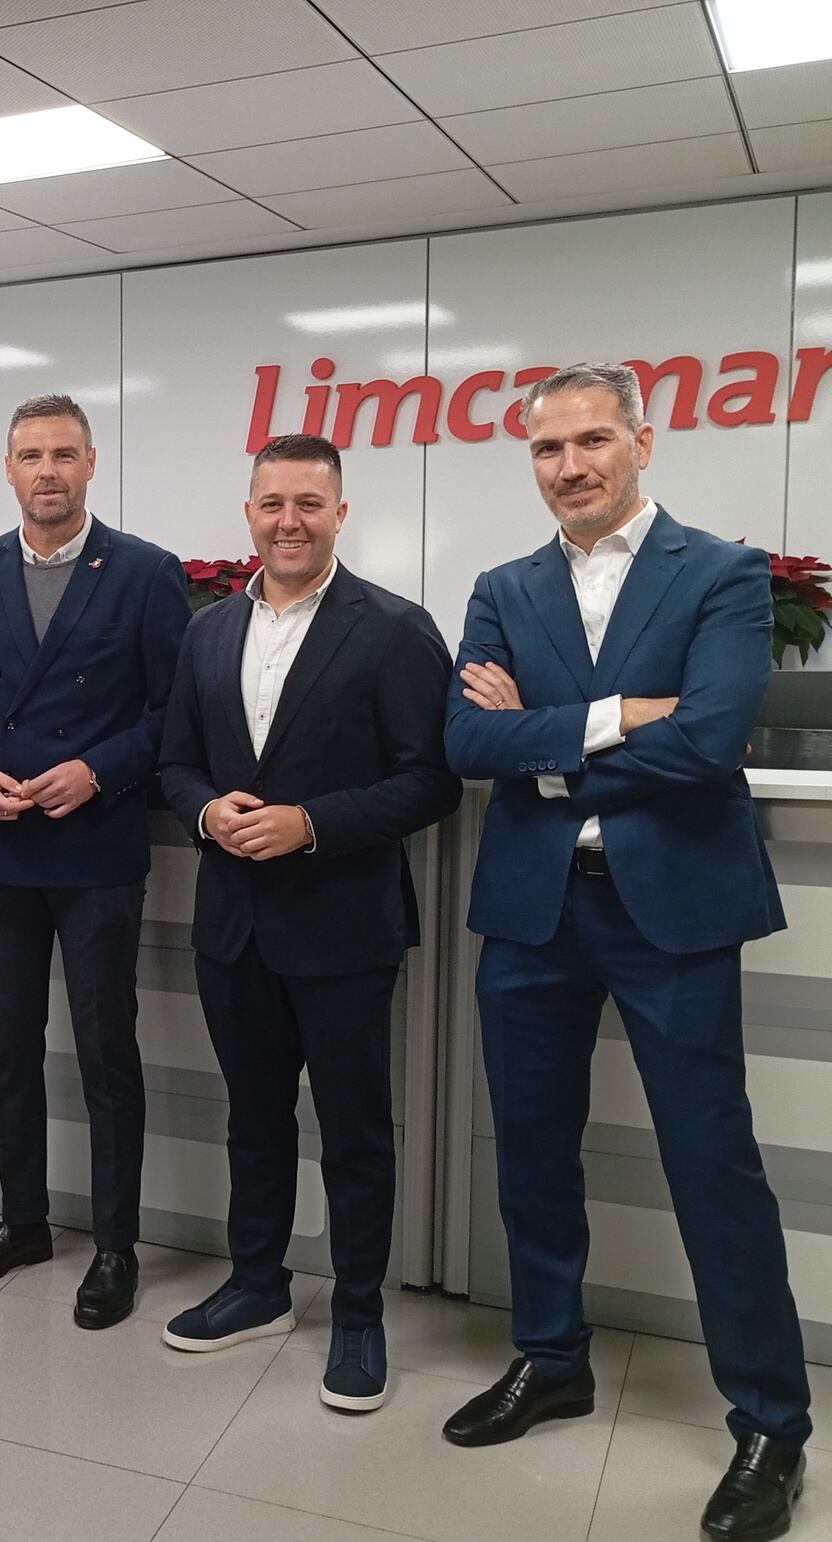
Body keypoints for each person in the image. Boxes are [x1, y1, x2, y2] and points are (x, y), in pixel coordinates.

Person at [443, 362, 809, 1541]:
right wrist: (613, 718)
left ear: (639, 442)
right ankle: (549, 1359)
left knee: (712, 1161)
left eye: (591, 440)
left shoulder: (719, 573)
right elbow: (461, 739)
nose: (569, 466)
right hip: (535, 911)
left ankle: (767, 1420)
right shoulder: (502, 587)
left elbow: (705, 744)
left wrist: (540, 746)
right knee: (531, 1149)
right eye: (547, 449)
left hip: (672, 911)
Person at [157, 433, 459, 1411]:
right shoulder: (204, 633)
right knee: (252, 1117)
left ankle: (358, 1315)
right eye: (269, 503)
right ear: (246, 513)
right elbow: (173, 763)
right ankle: (255, 1285)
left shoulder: (394, 629)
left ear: (338, 513)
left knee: (354, 1131)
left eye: (307, 504)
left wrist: (311, 824)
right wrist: (205, 810)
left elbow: (430, 781)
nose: (287, 521)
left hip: (340, 925)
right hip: (232, 927)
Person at [0, 393, 190, 1328]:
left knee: (108, 1053)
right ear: (8, 469)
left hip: (94, 847)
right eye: (31, 455)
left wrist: (100, 769)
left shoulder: (150, 573)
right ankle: (22, 1220)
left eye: (64, 455)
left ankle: (114, 1244)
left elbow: (172, 715)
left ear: (92, 464)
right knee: (8, 1050)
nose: (48, 471)